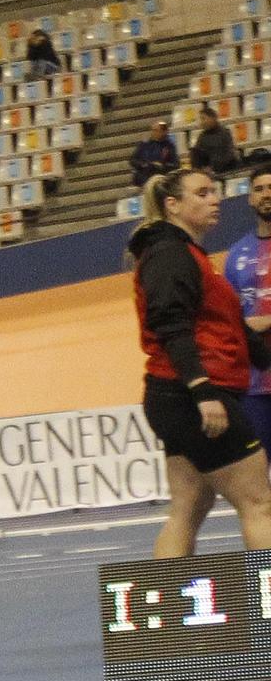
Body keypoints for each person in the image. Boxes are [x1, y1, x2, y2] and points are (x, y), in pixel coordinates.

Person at [130, 169, 271, 556]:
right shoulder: (169, 254)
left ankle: (172, 612)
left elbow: (220, 321)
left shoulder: (186, 254)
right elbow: (171, 326)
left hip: (177, 397)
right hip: (194, 396)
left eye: (215, 192)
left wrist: (261, 357)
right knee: (259, 503)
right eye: (202, 193)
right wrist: (202, 391)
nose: (215, 199)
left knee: (188, 508)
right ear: (172, 205)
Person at [222, 163, 271, 454]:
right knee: (257, 481)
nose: (267, 194)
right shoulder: (236, 253)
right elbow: (228, 316)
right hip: (254, 385)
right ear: (250, 198)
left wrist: (264, 321)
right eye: (259, 189)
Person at [190, 104, 240, 178]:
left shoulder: (225, 133)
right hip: (208, 172)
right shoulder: (202, 136)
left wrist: (213, 168)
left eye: (204, 118)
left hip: (226, 169)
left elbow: (228, 154)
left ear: (213, 118)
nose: (202, 122)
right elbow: (198, 155)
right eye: (201, 119)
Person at [130, 121, 181, 188]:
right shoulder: (144, 145)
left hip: (160, 180)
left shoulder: (169, 146)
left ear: (164, 132)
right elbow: (133, 160)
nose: (153, 133)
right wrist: (145, 164)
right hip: (144, 179)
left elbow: (175, 165)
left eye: (156, 130)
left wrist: (162, 166)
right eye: (153, 130)